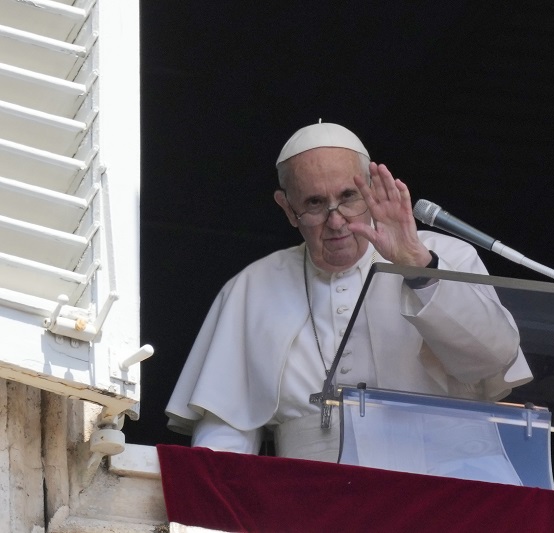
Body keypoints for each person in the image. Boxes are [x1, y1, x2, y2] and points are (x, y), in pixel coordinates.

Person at [165, 122, 532, 459]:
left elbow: (492, 359)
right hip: (310, 499)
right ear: (288, 209)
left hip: (442, 478)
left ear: (371, 191)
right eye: (314, 203)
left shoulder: (444, 256)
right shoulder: (253, 286)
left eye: (348, 197)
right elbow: (227, 427)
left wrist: (420, 270)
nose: (336, 221)